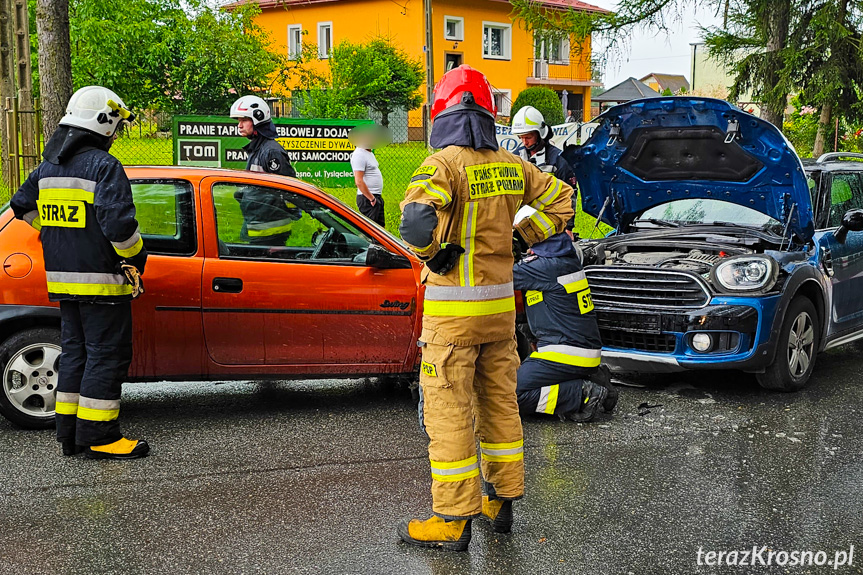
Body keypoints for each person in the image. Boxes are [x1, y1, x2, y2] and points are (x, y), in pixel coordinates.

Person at [396, 65, 574, 551]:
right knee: (499, 406)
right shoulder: (513, 163)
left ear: (442, 111)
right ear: (488, 112)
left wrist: (436, 253)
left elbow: (414, 222)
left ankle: (452, 520)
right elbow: (563, 203)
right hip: (499, 314)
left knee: (448, 413)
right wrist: (522, 235)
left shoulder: (442, 164)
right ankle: (500, 501)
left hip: (453, 318)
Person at [10, 86, 150, 460]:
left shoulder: (48, 167)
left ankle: (69, 434)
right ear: (102, 123)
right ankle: (101, 437)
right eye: (116, 127)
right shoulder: (104, 167)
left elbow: (19, 204)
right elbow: (120, 229)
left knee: (75, 355)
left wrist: (53, 233)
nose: (116, 134)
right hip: (103, 283)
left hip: (63, 282)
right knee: (107, 356)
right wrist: (138, 259)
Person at [513, 229, 618, 422]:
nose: (528, 251)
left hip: (564, 351)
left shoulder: (544, 267)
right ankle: (593, 379)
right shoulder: (566, 260)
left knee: (511, 396)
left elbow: (495, 276)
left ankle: (583, 394)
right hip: (580, 348)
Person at [230, 95, 301, 245]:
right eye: (238, 121)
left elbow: (290, 188)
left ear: (258, 119)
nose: (239, 125)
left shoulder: (271, 152)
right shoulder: (257, 148)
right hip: (258, 224)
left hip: (271, 231)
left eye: (244, 120)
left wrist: (294, 211)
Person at [511, 105, 578, 190]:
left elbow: (570, 197)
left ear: (540, 134)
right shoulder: (515, 158)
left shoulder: (559, 160)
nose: (525, 142)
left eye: (528, 137)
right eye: (521, 137)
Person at [349, 124, 386, 227]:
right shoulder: (359, 155)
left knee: (380, 231)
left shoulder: (369, 153)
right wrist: (371, 199)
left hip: (376, 196)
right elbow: (358, 181)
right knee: (372, 231)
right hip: (368, 199)